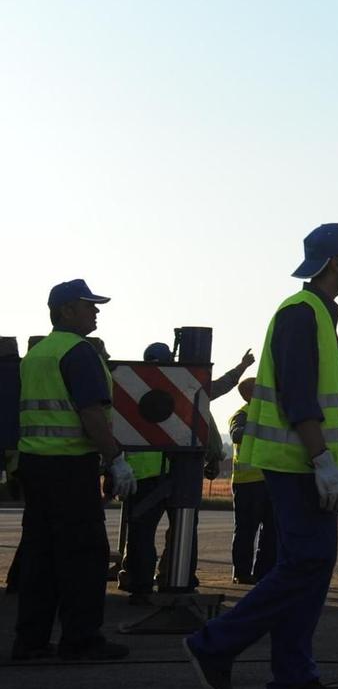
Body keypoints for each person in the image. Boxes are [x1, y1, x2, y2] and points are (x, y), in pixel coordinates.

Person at [184, 225, 338, 689]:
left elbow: (320, 403)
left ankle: (292, 678)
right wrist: (321, 460)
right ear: (335, 263)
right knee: (306, 564)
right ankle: (214, 644)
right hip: (296, 465)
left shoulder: (318, 316)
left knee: (308, 567)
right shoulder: (301, 315)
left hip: (306, 463)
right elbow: (299, 397)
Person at [10, 280, 136, 662]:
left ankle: (30, 642)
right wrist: (115, 459)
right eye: (88, 305)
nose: (95, 311)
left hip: (34, 465)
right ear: (65, 310)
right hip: (69, 467)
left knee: (40, 556)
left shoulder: (37, 354)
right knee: (84, 554)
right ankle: (81, 640)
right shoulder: (79, 353)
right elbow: (91, 414)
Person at [120, 343, 252, 602]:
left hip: (143, 475)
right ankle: (177, 580)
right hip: (178, 472)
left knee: (141, 534)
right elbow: (221, 386)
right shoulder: (186, 386)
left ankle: (140, 585)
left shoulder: (131, 387)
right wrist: (242, 367)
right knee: (183, 529)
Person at [228, 400, 276, 585]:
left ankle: (264, 572)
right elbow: (236, 434)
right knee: (246, 530)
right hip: (247, 482)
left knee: (271, 531)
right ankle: (242, 572)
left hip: (269, 481)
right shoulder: (242, 414)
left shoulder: (270, 414)